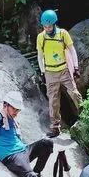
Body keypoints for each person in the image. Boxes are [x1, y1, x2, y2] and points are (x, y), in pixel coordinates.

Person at [36, 9, 83, 138]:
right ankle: (55, 128)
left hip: (64, 69)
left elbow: (72, 50)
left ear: (54, 23)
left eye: (49, 26)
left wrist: (76, 67)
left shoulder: (63, 34)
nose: (47, 28)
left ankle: (85, 117)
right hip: (50, 72)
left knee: (74, 93)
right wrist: (42, 71)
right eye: (45, 26)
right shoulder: (41, 37)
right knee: (53, 100)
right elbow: (40, 55)